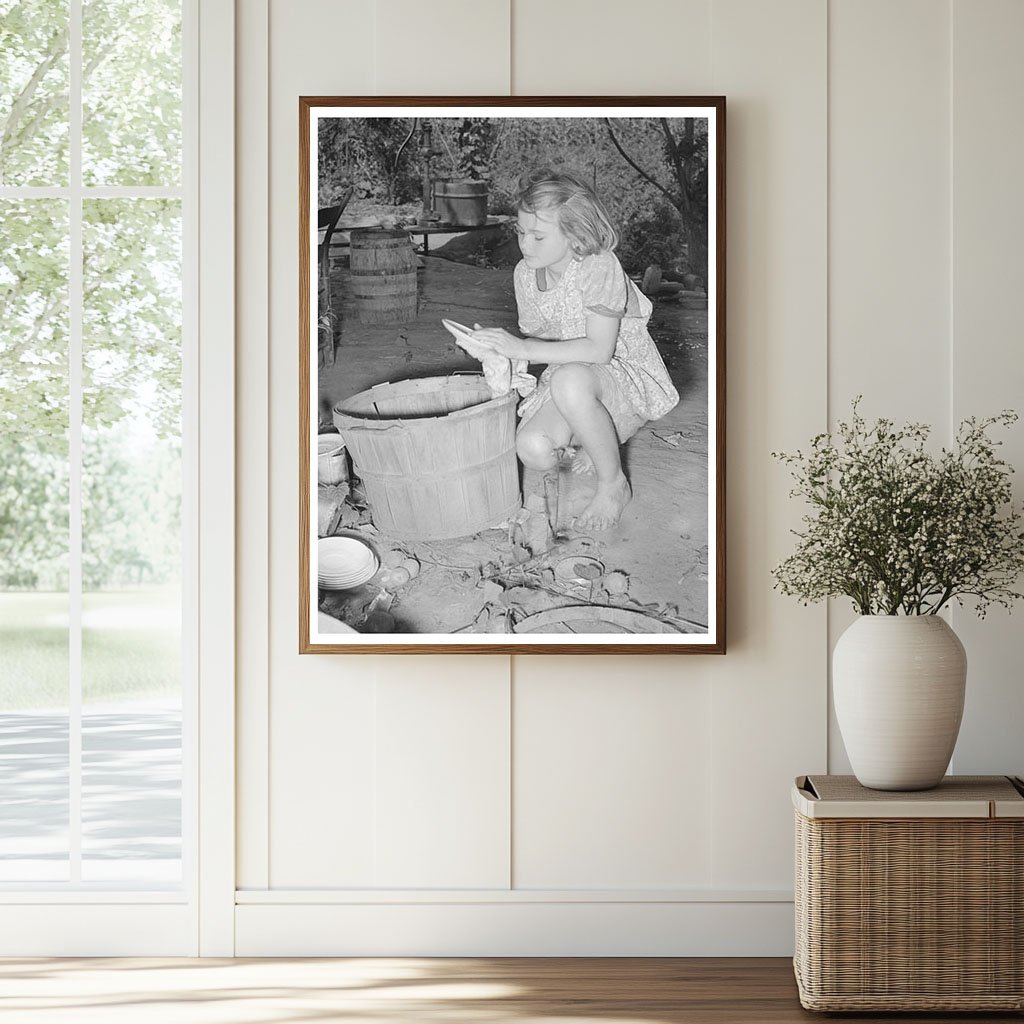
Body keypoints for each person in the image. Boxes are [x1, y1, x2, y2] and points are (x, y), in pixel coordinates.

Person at [471, 169, 679, 530]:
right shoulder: (525, 273)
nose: (525, 244)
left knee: (569, 383)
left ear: (574, 233)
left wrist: (522, 347)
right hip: (572, 372)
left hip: (620, 372)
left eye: (538, 235)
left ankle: (613, 482)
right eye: (521, 232)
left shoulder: (598, 266)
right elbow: (545, 343)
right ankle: (594, 430)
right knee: (535, 450)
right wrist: (500, 353)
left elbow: (600, 351)